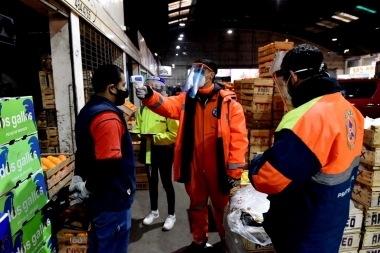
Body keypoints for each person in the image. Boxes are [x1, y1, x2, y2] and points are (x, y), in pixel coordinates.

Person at [248, 44, 364, 253]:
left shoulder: (307, 118)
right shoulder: (350, 111)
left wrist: (257, 163)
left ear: (292, 77)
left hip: (304, 226)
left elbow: (268, 179)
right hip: (332, 218)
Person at [135, 59, 248, 252]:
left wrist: (235, 171)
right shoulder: (187, 99)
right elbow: (167, 105)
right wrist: (149, 96)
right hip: (194, 165)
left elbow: (239, 138)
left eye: (199, 71)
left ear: (211, 75)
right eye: (194, 70)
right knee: (197, 206)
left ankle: (225, 242)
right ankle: (199, 241)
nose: (194, 74)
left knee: (222, 208)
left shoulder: (229, 104)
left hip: (218, 166)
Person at [69, 64, 136, 253]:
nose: (125, 90)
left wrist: (79, 178)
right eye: (123, 85)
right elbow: (109, 165)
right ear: (112, 88)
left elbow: (83, 151)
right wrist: (87, 189)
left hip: (101, 201)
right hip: (111, 201)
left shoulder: (89, 110)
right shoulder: (108, 117)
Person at [132, 76, 179, 231]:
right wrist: (136, 134)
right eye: (148, 86)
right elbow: (138, 128)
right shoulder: (142, 110)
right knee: (152, 183)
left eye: (153, 87)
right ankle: (154, 211)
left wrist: (155, 138)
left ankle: (171, 214)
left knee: (166, 183)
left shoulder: (168, 109)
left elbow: (175, 133)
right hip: (148, 151)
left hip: (164, 151)